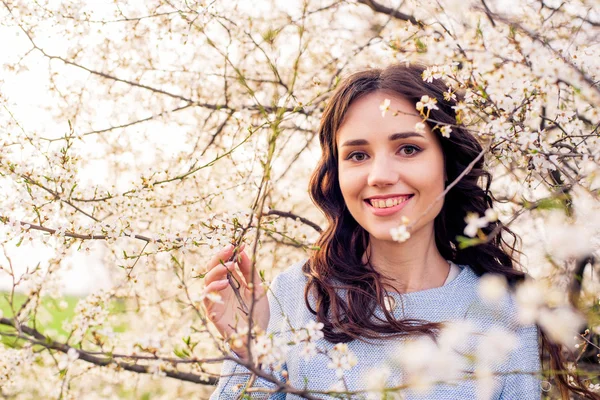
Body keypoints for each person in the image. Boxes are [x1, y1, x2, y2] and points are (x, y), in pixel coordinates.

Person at [202, 64, 594, 399]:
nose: (381, 176)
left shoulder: (506, 313)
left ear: (448, 162)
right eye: (358, 155)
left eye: (408, 148)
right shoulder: (296, 297)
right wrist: (247, 347)